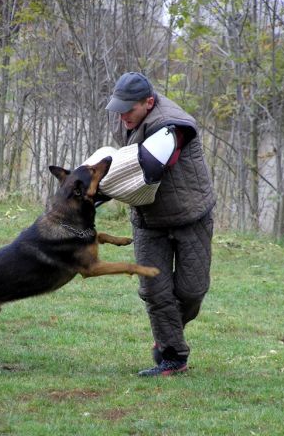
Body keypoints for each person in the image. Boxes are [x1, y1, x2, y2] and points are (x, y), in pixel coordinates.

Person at [105, 72, 216, 376]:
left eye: (129, 109)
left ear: (149, 102)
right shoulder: (129, 118)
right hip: (148, 219)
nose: (123, 115)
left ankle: (168, 333)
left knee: (191, 291)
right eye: (119, 108)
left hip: (190, 216)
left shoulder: (171, 125)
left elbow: (150, 165)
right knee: (155, 290)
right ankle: (172, 355)